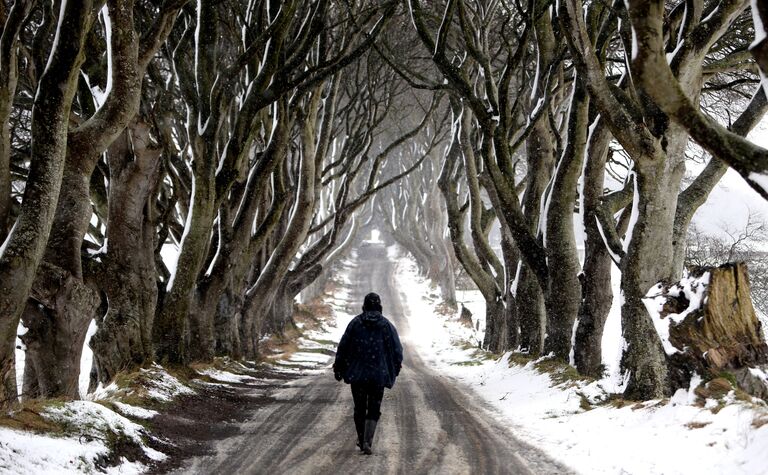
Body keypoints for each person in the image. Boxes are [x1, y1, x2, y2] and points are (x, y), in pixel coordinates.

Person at [333, 292, 403, 455]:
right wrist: (396, 366)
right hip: (378, 375)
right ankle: (367, 440)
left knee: (359, 407)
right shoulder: (386, 326)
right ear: (379, 306)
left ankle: (361, 436)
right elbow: (397, 349)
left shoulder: (355, 324)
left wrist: (339, 367)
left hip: (358, 375)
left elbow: (343, 347)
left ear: (364, 306)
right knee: (373, 407)